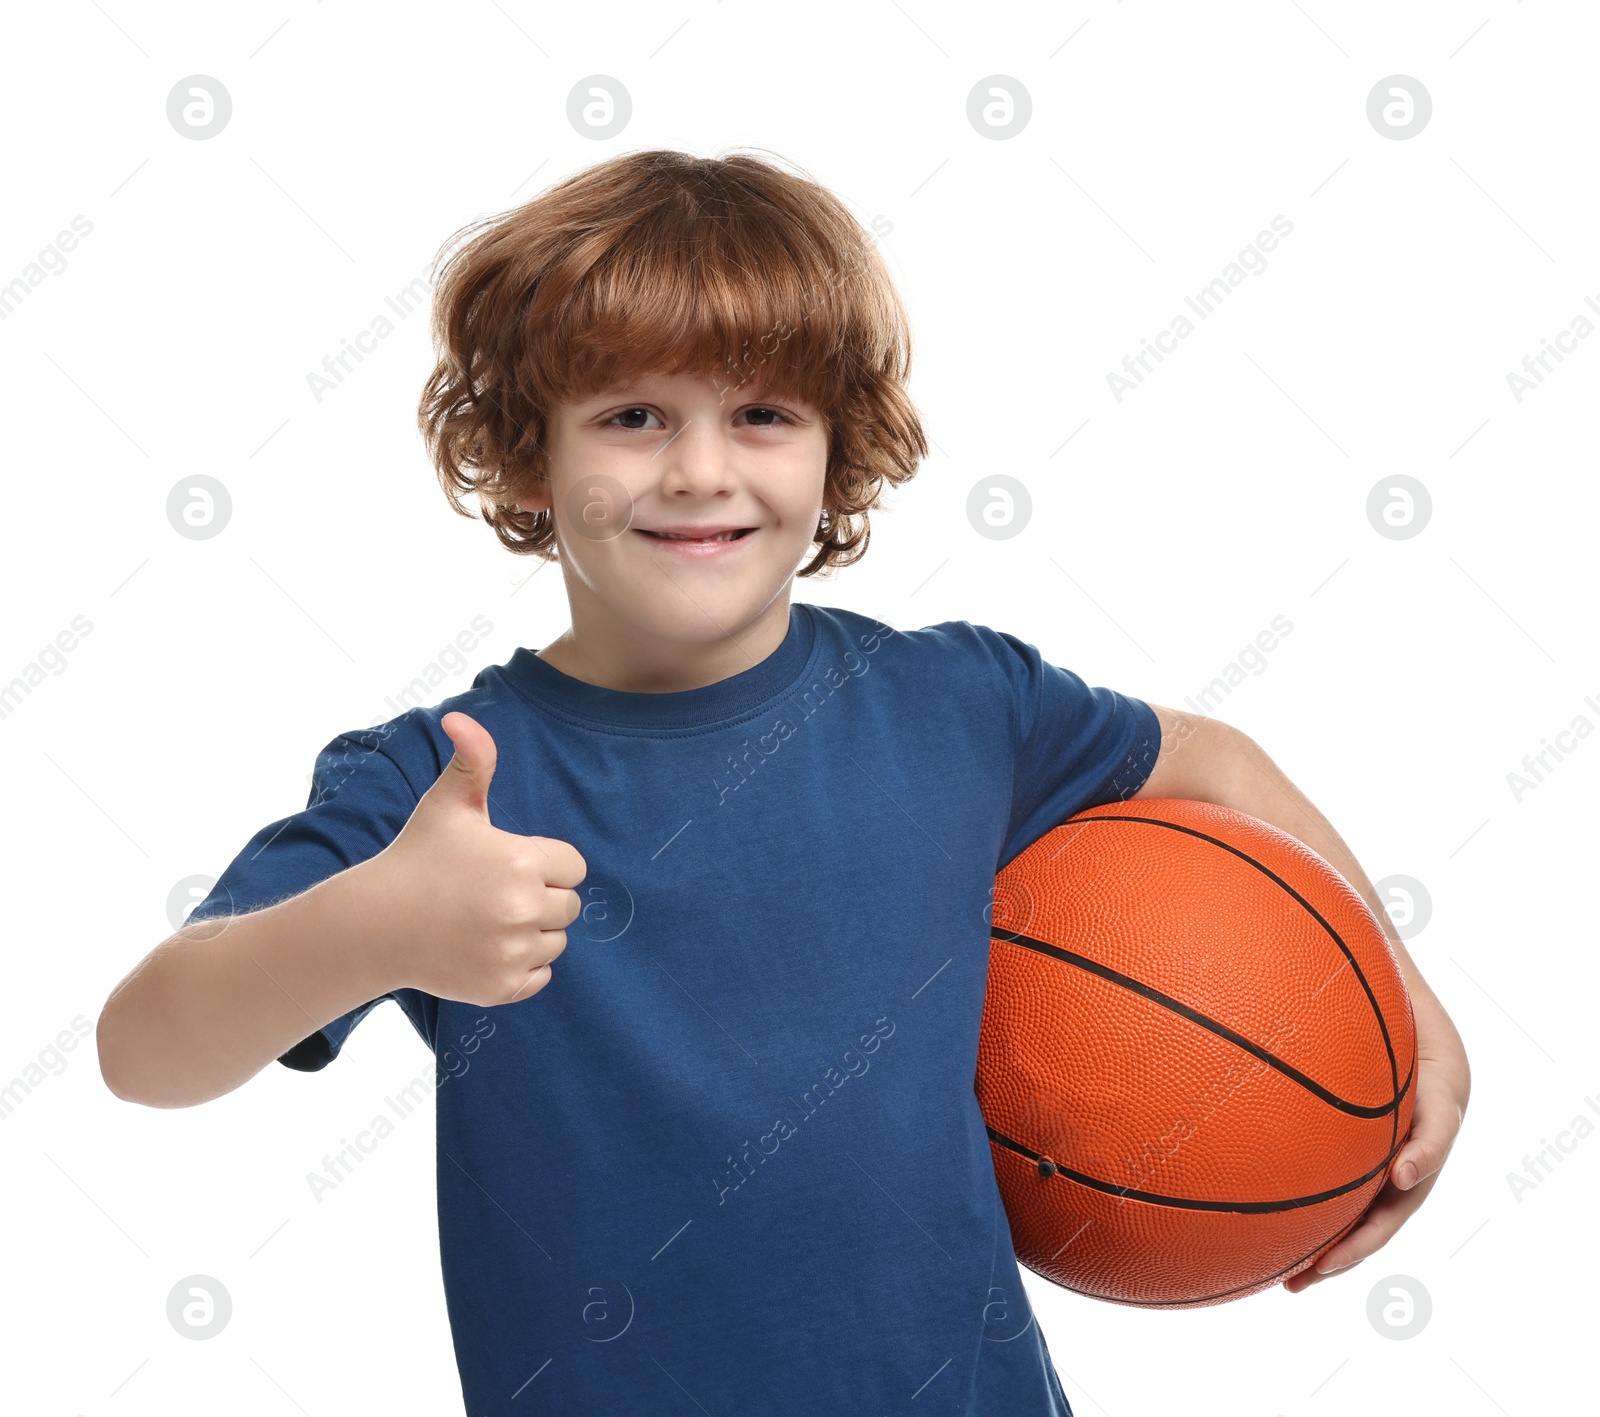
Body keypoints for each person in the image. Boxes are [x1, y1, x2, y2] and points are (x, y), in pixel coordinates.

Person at [96, 148, 1470, 1416]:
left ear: (837, 444)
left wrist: (1412, 1015)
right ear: (529, 451)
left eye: (761, 413)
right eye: (632, 415)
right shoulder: (447, 785)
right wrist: (372, 925)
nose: (700, 470)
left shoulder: (960, 704)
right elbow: (144, 1046)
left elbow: (1216, 762)